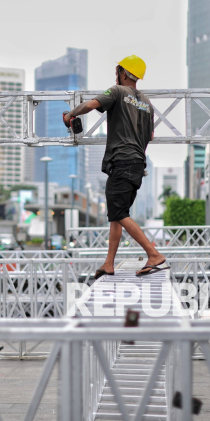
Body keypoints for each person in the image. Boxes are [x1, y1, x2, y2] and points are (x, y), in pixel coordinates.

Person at [62, 55, 167, 278]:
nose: (116, 75)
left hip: (122, 162)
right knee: (117, 214)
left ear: (123, 73)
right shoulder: (148, 104)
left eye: (117, 70)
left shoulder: (117, 92)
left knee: (118, 212)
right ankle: (108, 264)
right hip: (137, 164)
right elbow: (149, 135)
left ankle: (154, 254)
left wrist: (71, 114)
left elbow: (90, 105)